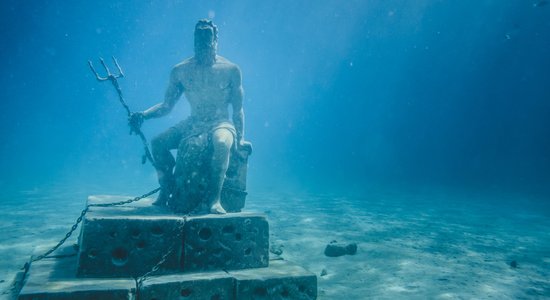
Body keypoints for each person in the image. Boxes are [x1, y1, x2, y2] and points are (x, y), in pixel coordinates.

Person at [129, 19, 247, 214]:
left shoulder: (231, 70)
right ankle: (167, 190)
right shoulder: (181, 71)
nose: (202, 40)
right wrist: (144, 115)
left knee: (222, 143)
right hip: (193, 122)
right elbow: (167, 106)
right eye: (198, 36)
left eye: (207, 35)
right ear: (193, 39)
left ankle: (214, 199)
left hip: (221, 122)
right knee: (158, 143)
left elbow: (238, 109)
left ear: (215, 38)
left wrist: (240, 139)